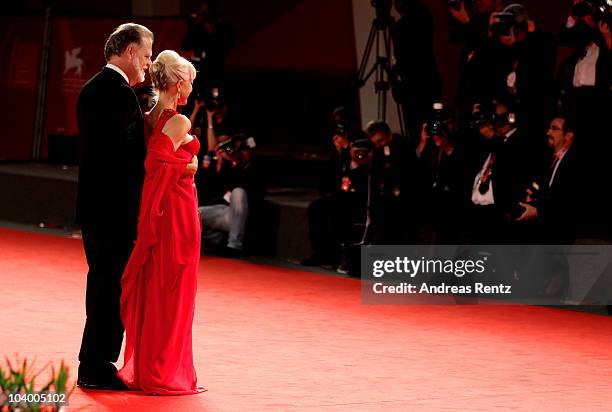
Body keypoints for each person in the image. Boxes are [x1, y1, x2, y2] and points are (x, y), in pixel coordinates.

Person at [117, 50, 204, 395]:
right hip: (176, 213)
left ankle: (154, 365)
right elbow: (156, 165)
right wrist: (190, 166)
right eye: (191, 83)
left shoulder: (149, 114)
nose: (192, 89)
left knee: (158, 288)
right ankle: (162, 370)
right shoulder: (178, 121)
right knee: (175, 290)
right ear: (180, 83)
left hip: (163, 210)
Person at [75, 23, 153, 391]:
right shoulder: (118, 93)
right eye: (147, 54)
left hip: (97, 208)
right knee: (110, 287)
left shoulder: (95, 87)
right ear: (131, 51)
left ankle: (93, 362)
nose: (148, 63)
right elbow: (129, 153)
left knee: (103, 283)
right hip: (114, 210)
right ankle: (97, 365)